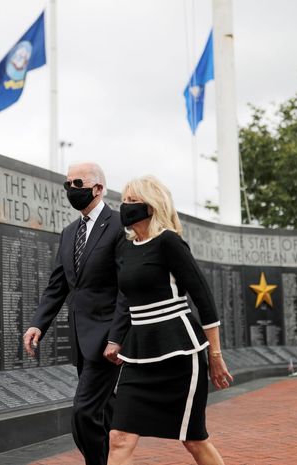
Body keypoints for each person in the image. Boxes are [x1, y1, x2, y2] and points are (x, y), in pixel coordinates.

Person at [106, 175, 233, 465]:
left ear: (151, 205)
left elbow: (204, 299)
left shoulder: (169, 243)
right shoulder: (126, 248)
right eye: (123, 200)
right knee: (119, 438)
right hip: (138, 355)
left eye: (132, 201)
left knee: (193, 439)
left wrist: (215, 355)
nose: (125, 207)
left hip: (180, 353)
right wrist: (116, 338)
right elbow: (126, 300)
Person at [23, 162, 130, 465]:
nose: (72, 189)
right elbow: (58, 286)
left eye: (78, 183)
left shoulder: (119, 226)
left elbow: (126, 289)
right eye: (67, 184)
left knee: (83, 413)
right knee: (104, 411)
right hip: (81, 342)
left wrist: (118, 337)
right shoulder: (69, 232)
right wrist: (37, 324)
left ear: (98, 188)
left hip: (107, 341)